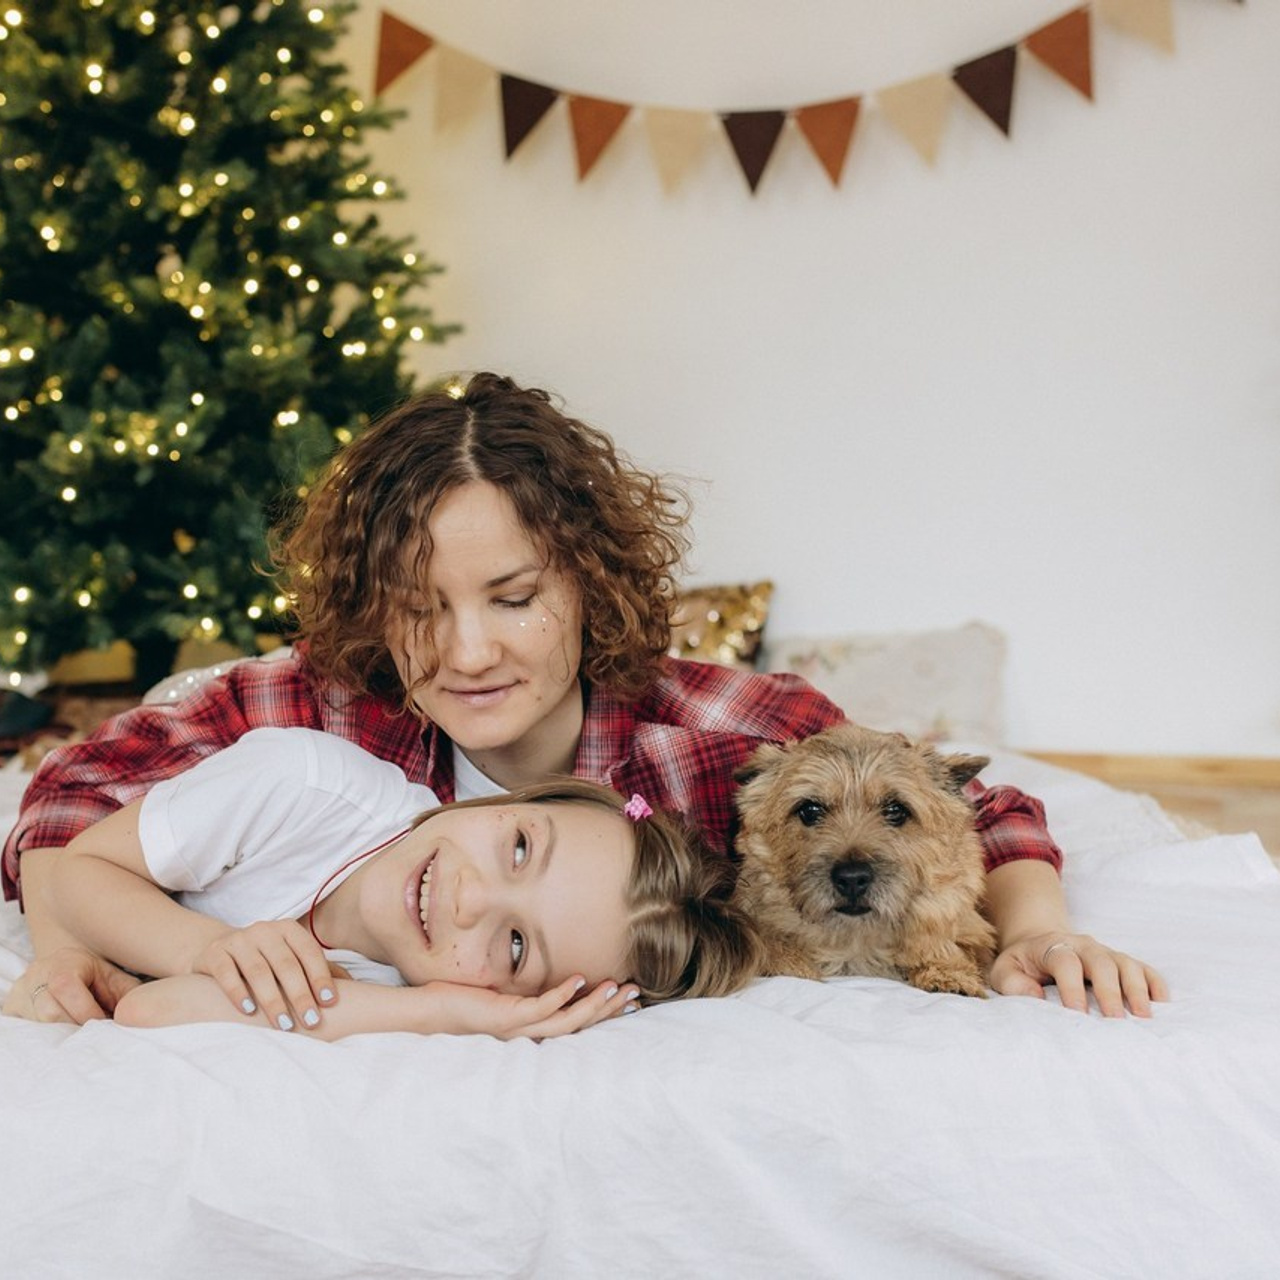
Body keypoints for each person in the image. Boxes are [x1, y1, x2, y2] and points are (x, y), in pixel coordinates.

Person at [3, 372, 1166, 1024]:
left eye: (512, 596)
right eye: (420, 604)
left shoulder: (701, 731)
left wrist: (1036, 932)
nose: (465, 651)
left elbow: (975, 801)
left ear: (587, 578)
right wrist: (70, 943)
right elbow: (72, 784)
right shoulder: (323, 707)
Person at [45, 726, 755, 1040]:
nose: (469, 900)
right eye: (516, 847)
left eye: (513, 947)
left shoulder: (416, 994)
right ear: (512, 800)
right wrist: (204, 947)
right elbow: (81, 868)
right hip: (126, 837)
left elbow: (152, 1013)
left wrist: (440, 1016)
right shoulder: (305, 782)